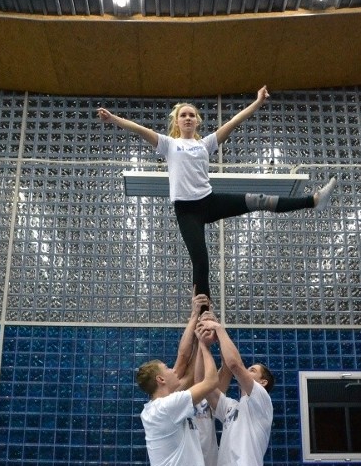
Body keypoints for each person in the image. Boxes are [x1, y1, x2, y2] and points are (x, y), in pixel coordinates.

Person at [97, 86, 337, 306]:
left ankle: (313, 201)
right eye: (184, 115)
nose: (188, 118)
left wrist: (257, 102)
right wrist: (113, 119)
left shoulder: (206, 144)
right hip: (187, 211)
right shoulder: (169, 144)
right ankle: (204, 315)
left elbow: (235, 121)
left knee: (259, 200)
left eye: (192, 115)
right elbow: (140, 129)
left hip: (209, 202)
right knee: (201, 262)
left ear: (197, 121)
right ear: (177, 122)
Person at [136, 295, 219, 466]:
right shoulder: (168, 406)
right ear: (161, 379)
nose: (174, 369)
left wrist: (195, 317)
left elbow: (184, 360)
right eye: (168, 369)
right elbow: (210, 380)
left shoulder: (162, 403)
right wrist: (204, 344)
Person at [196, 312, 274, 466]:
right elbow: (205, 387)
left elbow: (234, 365)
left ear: (263, 382)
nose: (247, 370)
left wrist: (217, 328)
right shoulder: (231, 407)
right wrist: (203, 346)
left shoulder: (261, 401)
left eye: (253, 370)